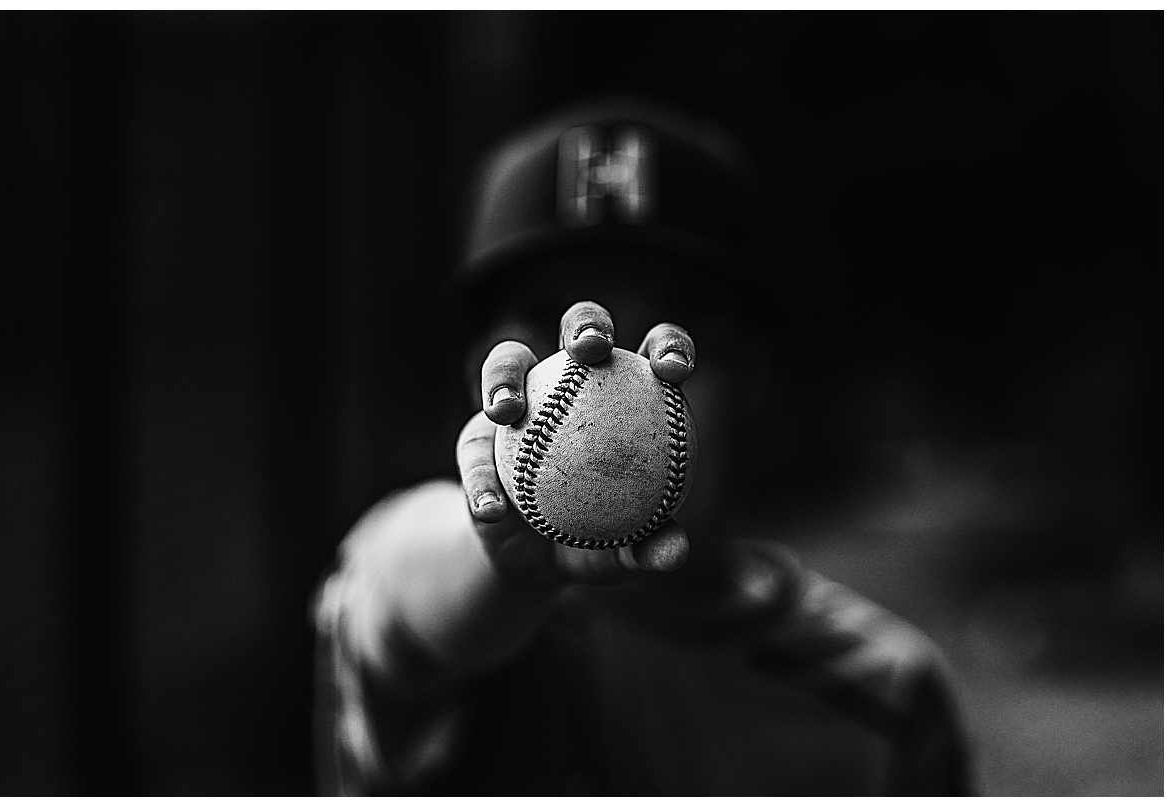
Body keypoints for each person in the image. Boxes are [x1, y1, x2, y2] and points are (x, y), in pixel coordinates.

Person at [311, 96, 975, 796]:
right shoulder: (462, 631)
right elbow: (395, 595)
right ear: (480, 361)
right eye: (544, 321)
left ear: (752, 369)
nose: (609, 363)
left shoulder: (887, 690)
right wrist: (496, 558)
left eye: (676, 319)